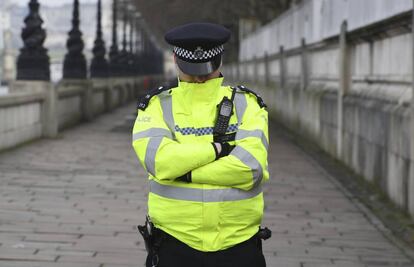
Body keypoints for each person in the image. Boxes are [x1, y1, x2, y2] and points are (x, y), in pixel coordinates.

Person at [132, 22, 270, 267]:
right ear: (176, 59)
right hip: (174, 242)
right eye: (191, 70)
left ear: (220, 60)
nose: (198, 77)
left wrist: (182, 173)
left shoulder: (248, 104)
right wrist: (219, 150)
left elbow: (250, 168)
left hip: (238, 242)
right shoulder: (156, 105)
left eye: (205, 71)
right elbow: (160, 162)